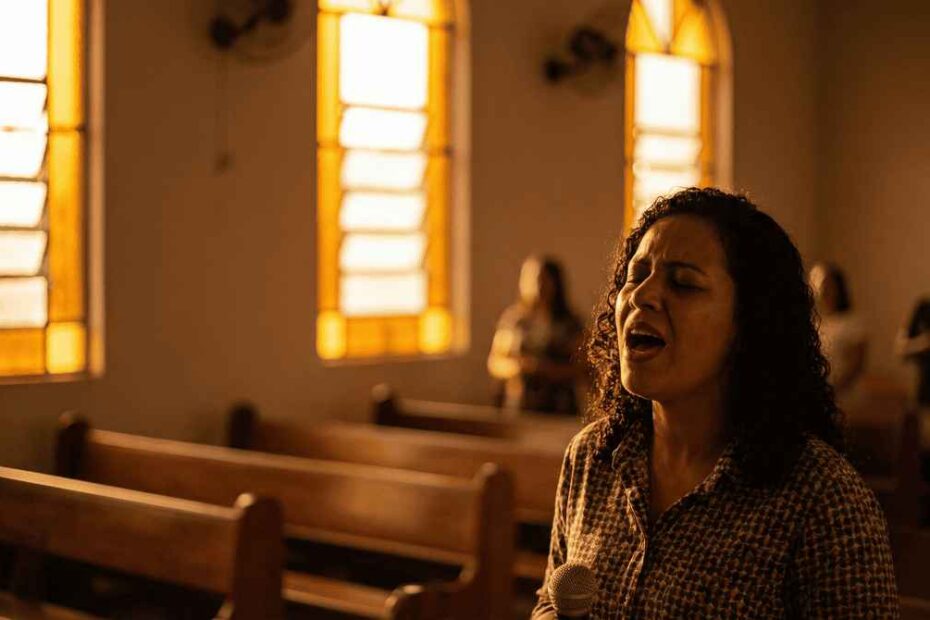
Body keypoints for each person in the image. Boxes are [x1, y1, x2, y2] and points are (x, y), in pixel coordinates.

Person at [532, 188, 897, 617]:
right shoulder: (592, 456)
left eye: (683, 283)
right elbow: (551, 598)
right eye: (636, 275)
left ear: (750, 323)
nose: (642, 296)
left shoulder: (823, 500)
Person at [487, 255, 584, 414]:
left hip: (559, 405)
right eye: (530, 279)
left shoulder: (570, 323)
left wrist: (548, 370)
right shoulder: (514, 320)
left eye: (543, 279)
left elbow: (582, 367)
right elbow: (496, 362)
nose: (537, 285)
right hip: (521, 405)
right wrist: (521, 367)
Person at [809, 262, 868, 400]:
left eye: (828, 285)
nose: (823, 290)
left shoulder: (851, 323)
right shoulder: (816, 323)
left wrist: (834, 389)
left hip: (844, 395)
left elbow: (856, 364)